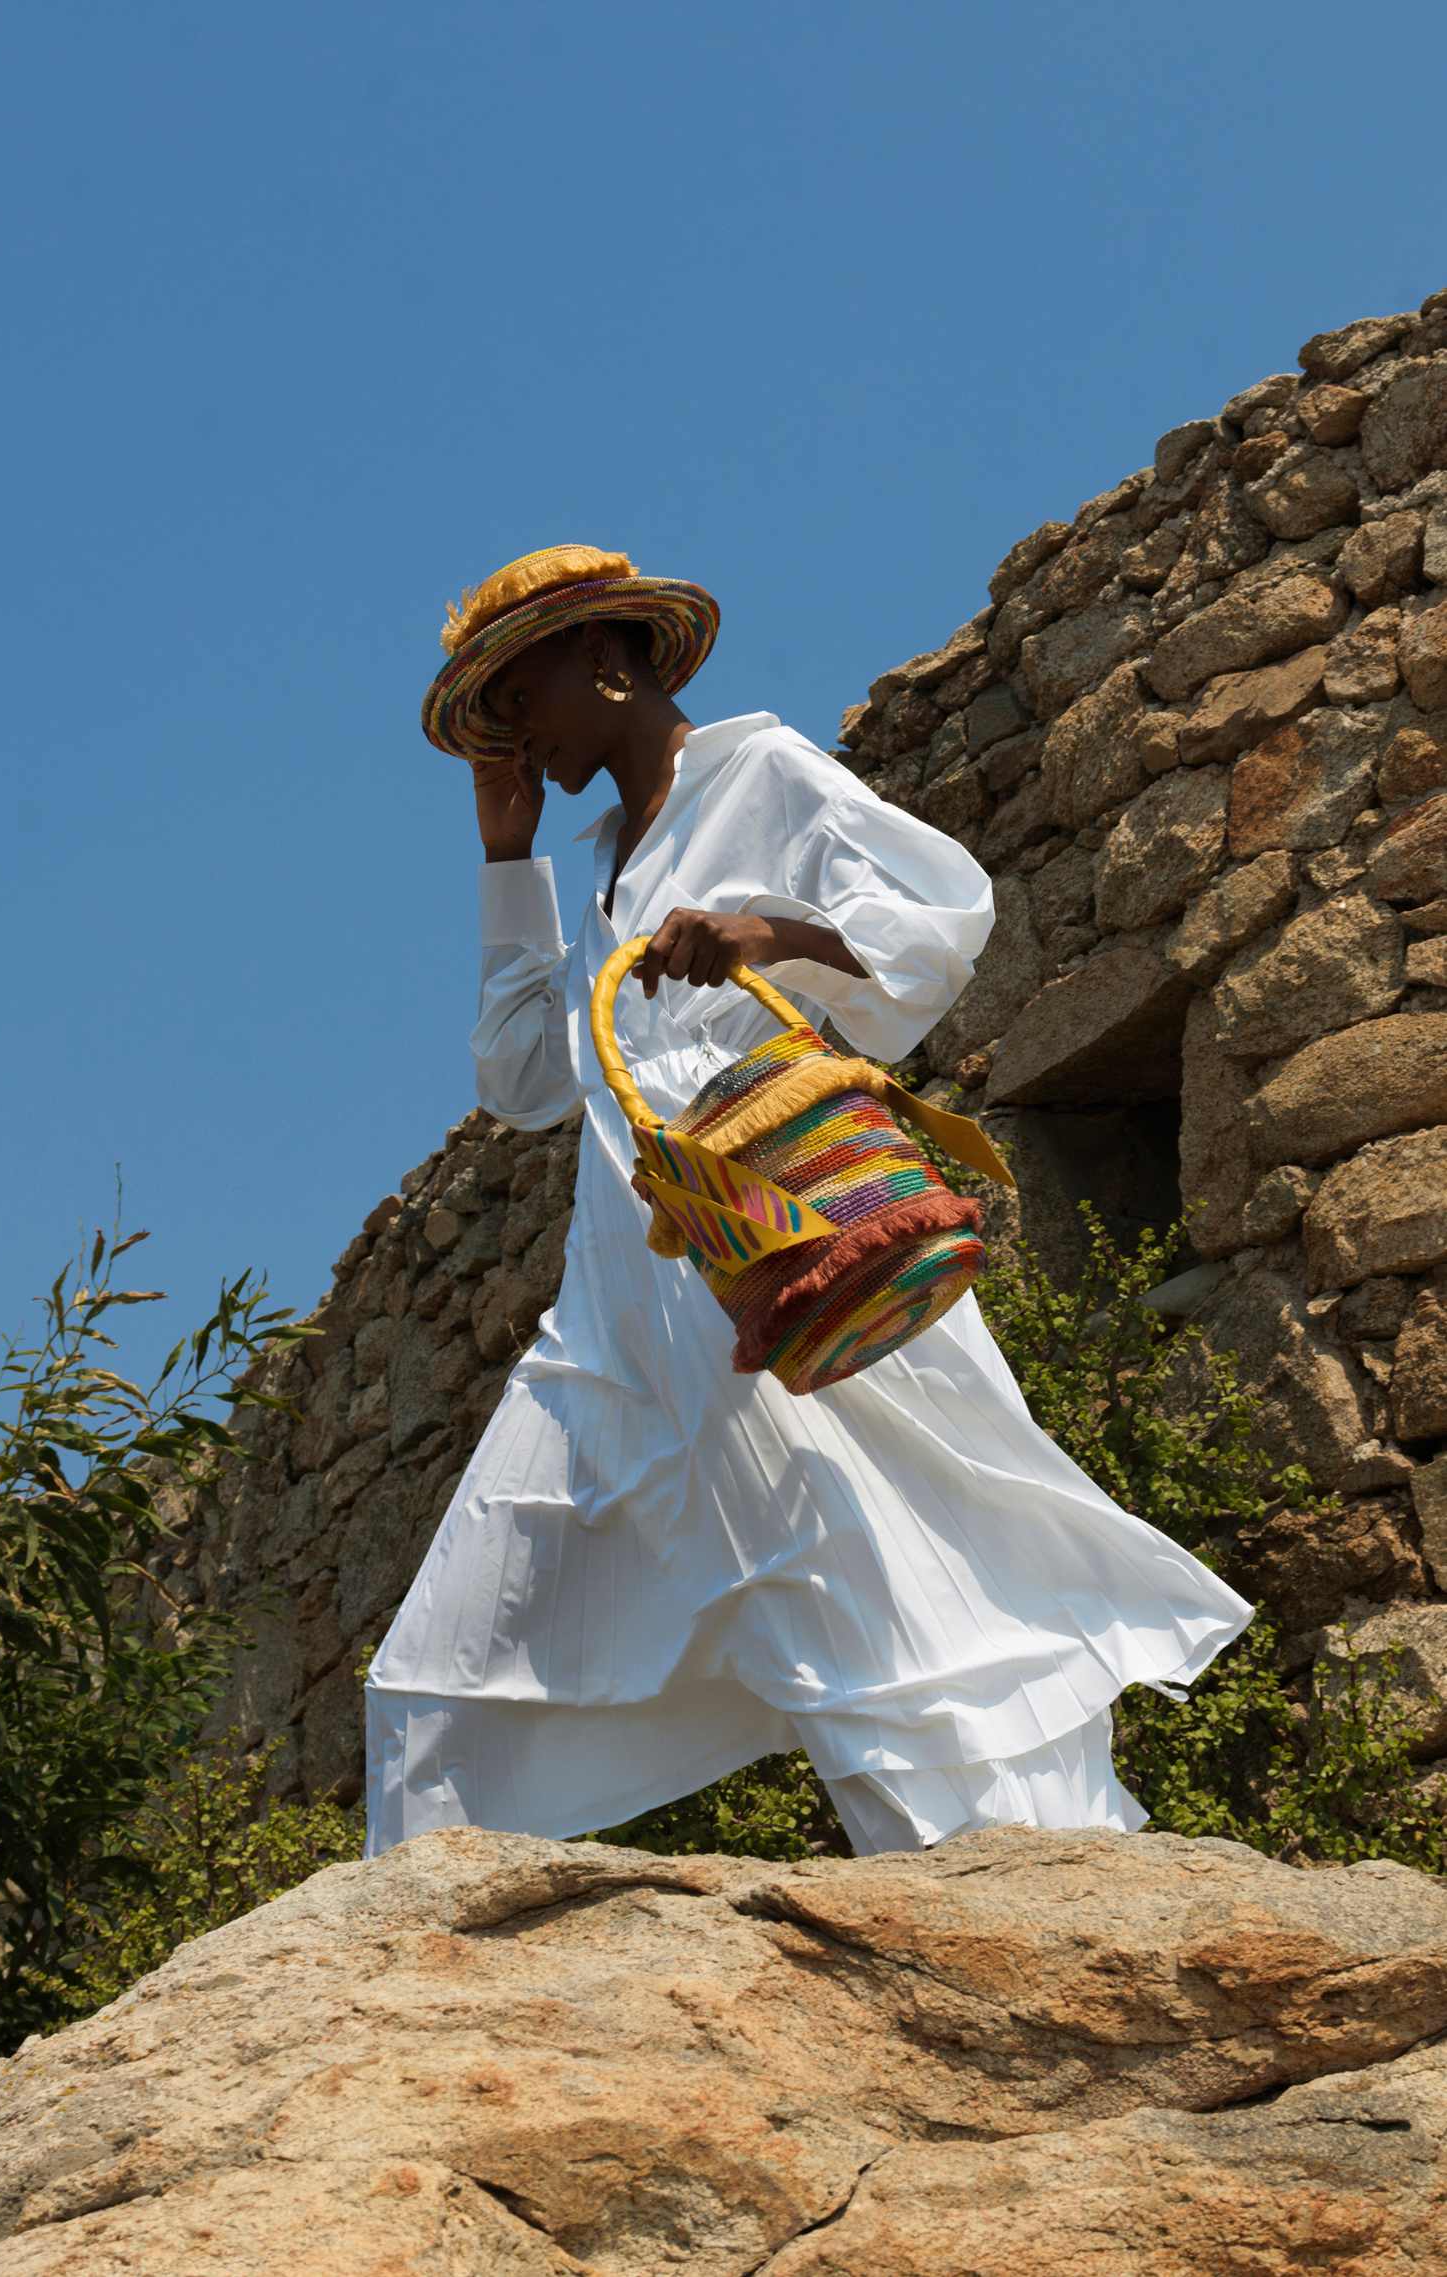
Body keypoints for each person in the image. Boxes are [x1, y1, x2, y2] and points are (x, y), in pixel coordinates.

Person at [362, 542, 1255, 1860]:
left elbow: (939, 919)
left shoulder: (761, 777)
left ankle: (1031, 1890)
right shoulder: (599, 857)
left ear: (606, 665)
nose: (509, 735)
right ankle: (410, 1976)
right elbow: (523, 1082)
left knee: (870, 1613)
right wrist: (509, 864)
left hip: (774, 1259)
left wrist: (768, 932)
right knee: (436, 1677)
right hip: (616, 1317)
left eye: (519, 696)